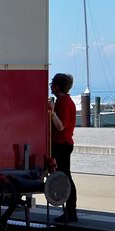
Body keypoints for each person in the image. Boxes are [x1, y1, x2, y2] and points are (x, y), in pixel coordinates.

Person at [49, 72, 78, 223]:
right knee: (65, 176)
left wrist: (52, 113)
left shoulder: (64, 103)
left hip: (63, 144)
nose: (50, 87)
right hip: (62, 144)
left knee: (66, 177)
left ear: (57, 86)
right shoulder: (64, 101)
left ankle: (71, 212)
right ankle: (70, 211)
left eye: (52, 84)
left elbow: (61, 127)